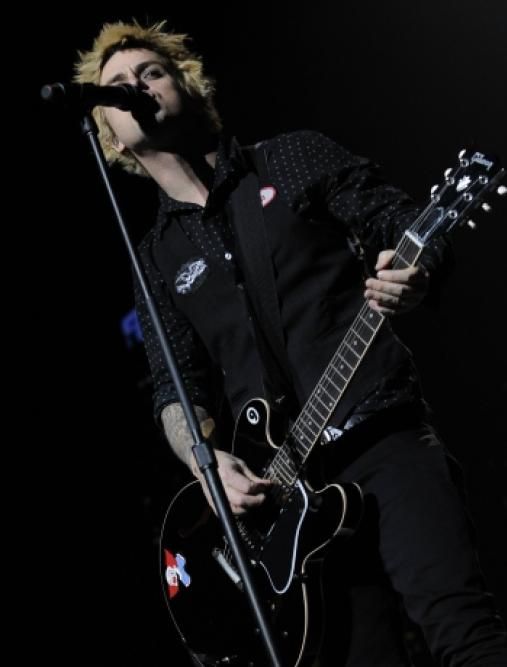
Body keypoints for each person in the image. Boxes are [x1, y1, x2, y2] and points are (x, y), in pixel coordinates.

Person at [74, 19, 507, 666]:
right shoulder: (156, 258)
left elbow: (398, 221)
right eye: (118, 85)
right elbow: (174, 385)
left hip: (381, 433)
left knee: (462, 631)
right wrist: (205, 463)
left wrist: (414, 270)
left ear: (187, 86)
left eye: (151, 72)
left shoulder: (291, 157)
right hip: (287, 504)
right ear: (109, 132)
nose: (137, 86)